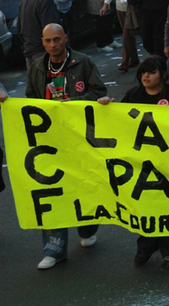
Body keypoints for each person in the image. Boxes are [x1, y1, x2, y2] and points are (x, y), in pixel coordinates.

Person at [24, 23, 109, 269]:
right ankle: (54, 248)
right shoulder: (38, 67)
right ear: (42, 42)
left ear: (66, 39)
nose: (53, 44)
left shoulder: (83, 62)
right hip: (49, 141)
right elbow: (31, 99)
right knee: (51, 191)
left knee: (83, 186)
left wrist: (71, 103)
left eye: (57, 39)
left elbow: (98, 92)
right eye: (48, 40)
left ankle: (88, 226)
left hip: (80, 138)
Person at [116, 55, 169, 269]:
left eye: (151, 72)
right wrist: (106, 107)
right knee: (147, 204)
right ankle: (146, 246)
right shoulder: (133, 96)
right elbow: (117, 122)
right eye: (143, 72)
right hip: (143, 163)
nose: (146, 76)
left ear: (163, 74)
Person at [100, 0, 138, 71]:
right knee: (128, 35)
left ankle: (125, 61)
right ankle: (135, 59)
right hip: (119, 8)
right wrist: (106, 4)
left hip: (131, 9)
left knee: (126, 34)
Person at [18, 0, 61, 70]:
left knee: (35, 82)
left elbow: (20, 27)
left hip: (29, 49)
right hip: (42, 51)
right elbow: (50, 27)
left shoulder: (25, 0)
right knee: (50, 82)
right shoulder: (46, 0)